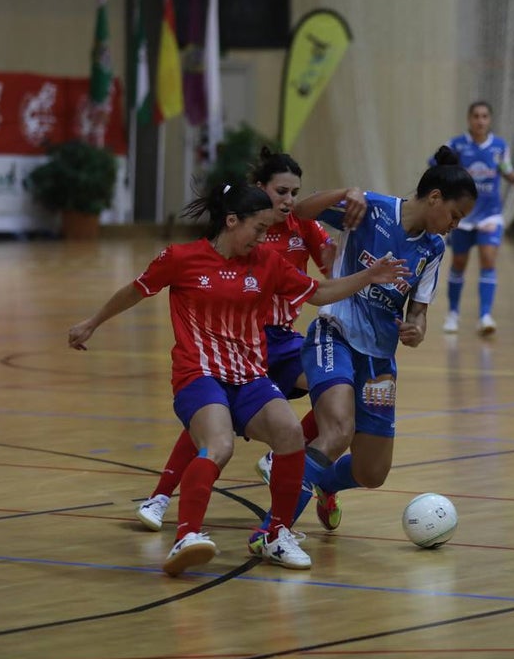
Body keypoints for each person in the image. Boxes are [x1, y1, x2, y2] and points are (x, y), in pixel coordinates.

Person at [67, 182, 409, 576]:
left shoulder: (268, 262)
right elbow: (135, 291)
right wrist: (92, 323)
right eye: (258, 228)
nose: (264, 238)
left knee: (290, 436)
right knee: (219, 444)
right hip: (199, 374)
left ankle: (275, 536)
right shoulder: (181, 258)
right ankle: (187, 535)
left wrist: (370, 276)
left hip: (249, 376)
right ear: (232, 221)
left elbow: (320, 291)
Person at [255, 145, 477, 537]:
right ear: (435, 198)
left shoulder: (434, 248)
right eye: (454, 216)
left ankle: (324, 481)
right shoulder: (370, 209)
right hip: (334, 335)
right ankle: (273, 532)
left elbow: (419, 311)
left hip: (379, 361)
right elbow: (302, 212)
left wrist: (417, 329)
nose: (454, 226)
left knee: (372, 472)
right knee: (337, 432)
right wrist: (346, 193)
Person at [134, 147, 344, 534]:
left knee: (334, 393)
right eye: (281, 192)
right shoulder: (244, 232)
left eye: (295, 193)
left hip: (282, 340)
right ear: (259, 191)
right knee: (215, 418)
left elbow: (327, 277)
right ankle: (162, 495)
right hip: (244, 339)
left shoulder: (303, 230)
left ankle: (303, 468)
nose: (289, 201)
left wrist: (353, 270)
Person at [436, 101, 514, 335]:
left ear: (490, 120)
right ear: (469, 119)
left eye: (485, 116)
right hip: (462, 217)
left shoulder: (499, 147)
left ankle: (485, 315)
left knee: (488, 259)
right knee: (458, 263)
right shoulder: (455, 145)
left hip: (490, 215)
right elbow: (437, 166)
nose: (480, 120)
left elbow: (506, 169)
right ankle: (453, 314)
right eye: (476, 116)